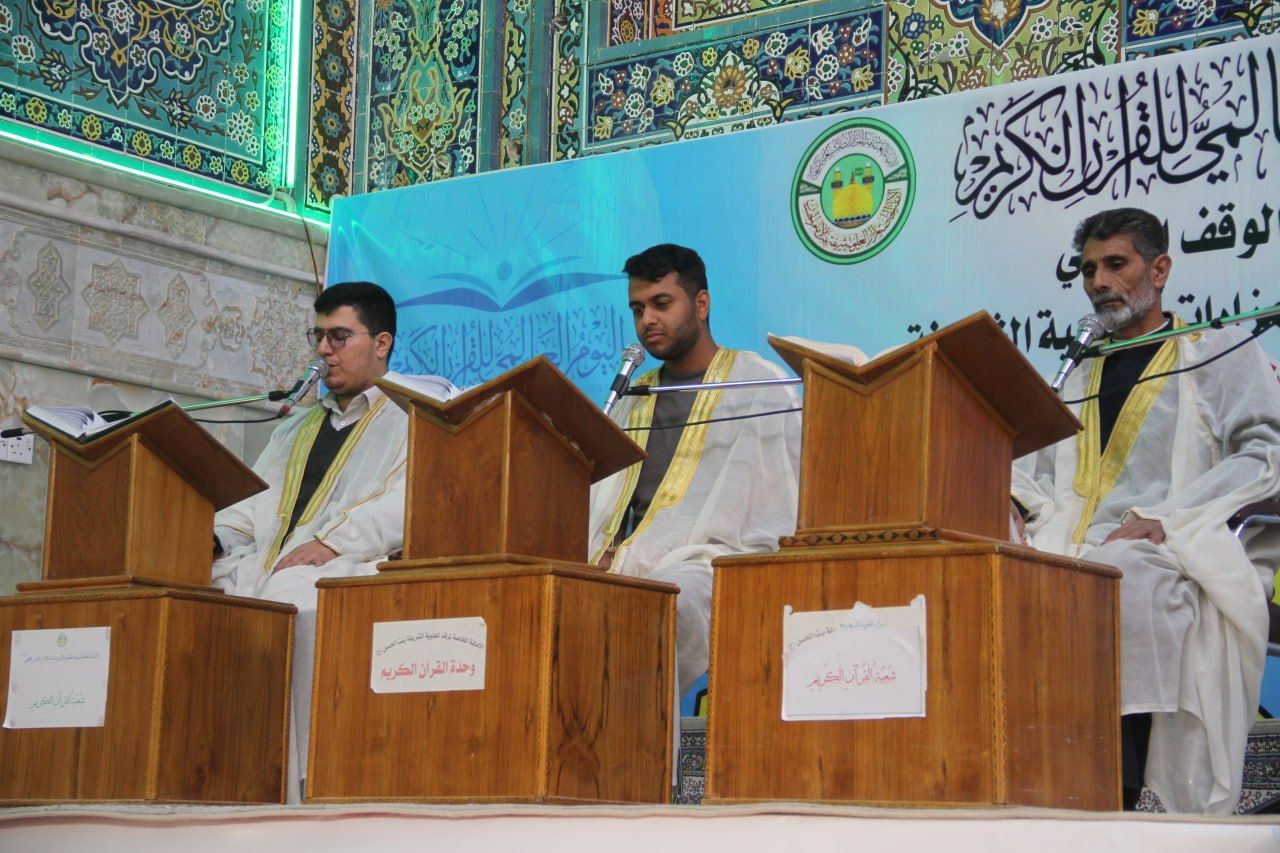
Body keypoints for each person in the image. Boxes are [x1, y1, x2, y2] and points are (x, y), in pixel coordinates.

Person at [1011, 208, 1280, 813]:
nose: (1099, 282)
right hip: (1066, 540)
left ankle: (1122, 788)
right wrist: (1013, 506)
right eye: (1088, 270)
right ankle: (1028, 780)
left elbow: (1266, 451)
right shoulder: (1075, 372)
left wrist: (1174, 517)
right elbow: (1032, 470)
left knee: (1123, 576)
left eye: (1116, 264)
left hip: (1172, 542)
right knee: (1008, 569)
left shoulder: (1216, 352)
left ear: (1159, 270)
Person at [213, 281, 410, 803]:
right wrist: (213, 538)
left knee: (295, 594)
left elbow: (405, 504)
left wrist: (330, 542)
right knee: (201, 588)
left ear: (382, 343)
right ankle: (223, 774)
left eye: (339, 337)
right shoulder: (293, 429)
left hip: (349, 565)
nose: (324, 350)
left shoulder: (412, 418)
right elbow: (248, 507)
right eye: (318, 337)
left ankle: (299, 788)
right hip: (272, 564)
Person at [589, 244, 802, 696]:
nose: (648, 320)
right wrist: (607, 548)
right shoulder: (633, 396)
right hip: (626, 560)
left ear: (701, 304)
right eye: (638, 309)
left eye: (661, 304)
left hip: (714, 560)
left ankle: (643, 728)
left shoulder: (760, 385)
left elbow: (774, 515)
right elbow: (608, 500)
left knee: (673, 600)